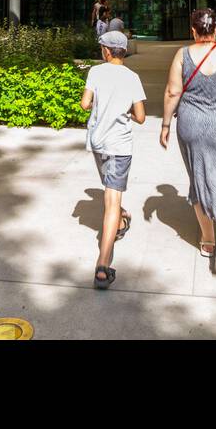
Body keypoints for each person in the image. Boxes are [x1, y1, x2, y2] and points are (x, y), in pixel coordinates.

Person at [160, 8, 216, 275]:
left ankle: (208, 241)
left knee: (198, 177)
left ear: (193, 31)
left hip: (192, 125)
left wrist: (166, 124)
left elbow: (172, 91)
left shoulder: (182, 55)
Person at [79, 30, 146, 290]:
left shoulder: (96, 73)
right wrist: (125, 106)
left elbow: (85, 104)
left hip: (97, 143)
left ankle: (120, 219)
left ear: (107, 51)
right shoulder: (132, 77)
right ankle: (103, 265)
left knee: (111, 195)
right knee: (112, 200)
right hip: (119, 145)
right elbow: (140, 117)